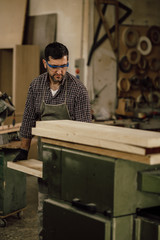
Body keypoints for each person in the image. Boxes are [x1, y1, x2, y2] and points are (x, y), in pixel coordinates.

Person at [13, 41, 92, 239]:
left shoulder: (79, 90)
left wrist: (82, 165)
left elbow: (86, 132)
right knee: (45, 204)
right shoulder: (36, 85)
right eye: (55, 66)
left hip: (73, 158)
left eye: (64, 65)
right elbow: (29, 119)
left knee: (70, 207)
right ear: (45, 63)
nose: (60, 71)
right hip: (46, 156)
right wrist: (23, 150)